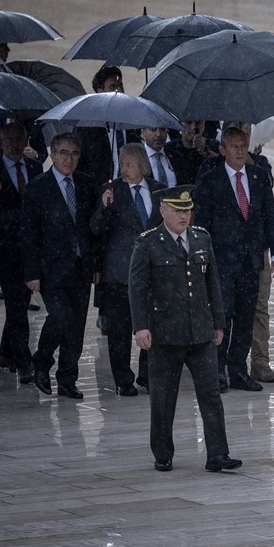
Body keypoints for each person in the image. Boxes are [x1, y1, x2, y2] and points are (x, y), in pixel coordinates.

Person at [129, 186, 242, 474]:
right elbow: (138, 289)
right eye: (178, 210)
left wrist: (218, 322)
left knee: (211, 394)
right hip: (165, 333)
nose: (184, 215)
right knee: (164, 398)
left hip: (200, 331)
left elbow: (211, 284)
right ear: (162, 211)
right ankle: (163, 453)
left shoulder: (201, 238)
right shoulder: (148, 243)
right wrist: (140, 327)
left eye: (187, 210)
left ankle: (218, 453)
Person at [191, 125, 274, 393]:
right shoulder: (210, 180)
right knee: (223, 318)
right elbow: (202, 226)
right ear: (222, 150)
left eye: (243, 146)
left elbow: (270, 218)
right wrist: (203, 260)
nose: (240, 151)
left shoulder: (258, 176)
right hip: (222, 262)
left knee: (246, 317)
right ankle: (218, 371)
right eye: (234, 146)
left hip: (251, 261)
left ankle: (238, 370)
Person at [20, 132, 99, 398]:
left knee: (76, 326)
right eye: (63, 153)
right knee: (61, 317)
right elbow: (28, 233)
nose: (69, 158)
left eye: (74, 153)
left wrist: (96, 265)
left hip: (81, 266)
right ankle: (42, 359)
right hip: (51, 268)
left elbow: (92, 229)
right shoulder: (38, 187)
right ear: (52, 155)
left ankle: (68, 378)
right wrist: (31, 273)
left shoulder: (87, 184)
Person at [89, 143, 162, 395]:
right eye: (122, 164)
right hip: (119, 272)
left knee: (151, 325)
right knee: (119, 330)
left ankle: (147, 375)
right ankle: (123, 379)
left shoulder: (159, 191)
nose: (124, 169)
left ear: (142, 165)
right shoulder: (111, 190)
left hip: (152, 272)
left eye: (129, 164)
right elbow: (96, 229)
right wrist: (105, 206)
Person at [0, 121, 42, 380]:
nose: (15, 144)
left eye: (19, 138)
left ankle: (5, 353)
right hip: (6, 250)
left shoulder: (36, 169)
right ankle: (23, 362)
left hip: (32, 249)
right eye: (9, 140)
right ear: (0, 143)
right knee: (16, 305)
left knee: (21, 302)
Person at [164, 120, 218, 185]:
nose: (193, 127)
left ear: (204, 125)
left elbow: (223, 166)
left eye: (198, 122)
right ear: (180, 124)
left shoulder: (213, 145)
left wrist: (206, 151)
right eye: (189, 122)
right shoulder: (169, 149)